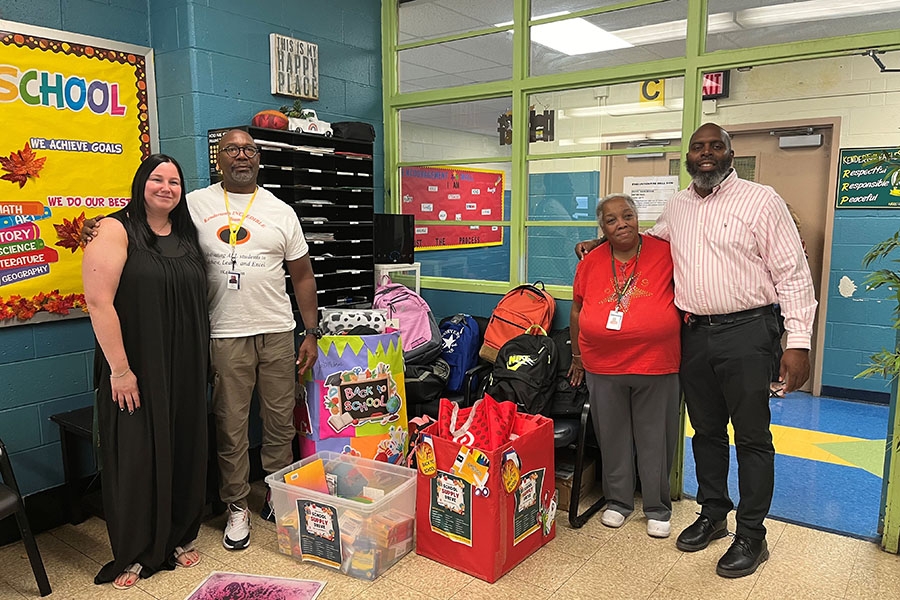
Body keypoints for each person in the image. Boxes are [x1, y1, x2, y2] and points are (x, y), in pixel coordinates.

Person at [576, 123, 816, 578]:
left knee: (751, 437)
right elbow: (649, 239)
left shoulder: (762, 201)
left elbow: (793, 273)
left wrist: (798, 341)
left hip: (749, 331)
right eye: (698, 147)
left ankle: (752, 535)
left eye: (715, 146)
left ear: (730, 153)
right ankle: (713, 514)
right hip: (695, 335)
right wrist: (600, 242)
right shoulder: (679, 205)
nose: (706, 153)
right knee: (705, 433)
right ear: (688, 157)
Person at [85, 129, 320, 552]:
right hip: (225, 332)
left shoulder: (281, 210)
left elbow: (302, 275)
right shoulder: (193, 205)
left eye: (249, 149)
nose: (241, 156)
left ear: (258, 157)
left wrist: (311, 330)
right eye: (232, 149)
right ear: (220, 159)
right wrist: (100, 227)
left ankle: (279, 496)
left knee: (281, 423)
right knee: (230, 425)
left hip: (278, 331)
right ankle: (236, 505)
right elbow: (144, 221)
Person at [83, 154, 209, 589]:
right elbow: (98, 302)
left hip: (186, 362)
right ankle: (136, 551)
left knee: (182, 445)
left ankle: (175, 535)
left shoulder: (187, 233)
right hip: (135, 365)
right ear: (141, 183)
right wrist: (121, 371)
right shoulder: (114, 229)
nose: (166, 187)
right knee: (137, 455)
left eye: (174, 181)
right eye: (157, 179)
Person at [568, 194, 681, 539]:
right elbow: (577, 308)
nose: (622, 224)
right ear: (602, 228)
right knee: (613, 437)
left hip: (656, 363)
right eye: (612, 220)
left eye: (627, 215)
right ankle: (618, 502)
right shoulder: (591, 260)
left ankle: (658, 507)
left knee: (655, 438)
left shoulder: (665, 251)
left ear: (637, 217)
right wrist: (577, 357)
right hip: (603, 366)